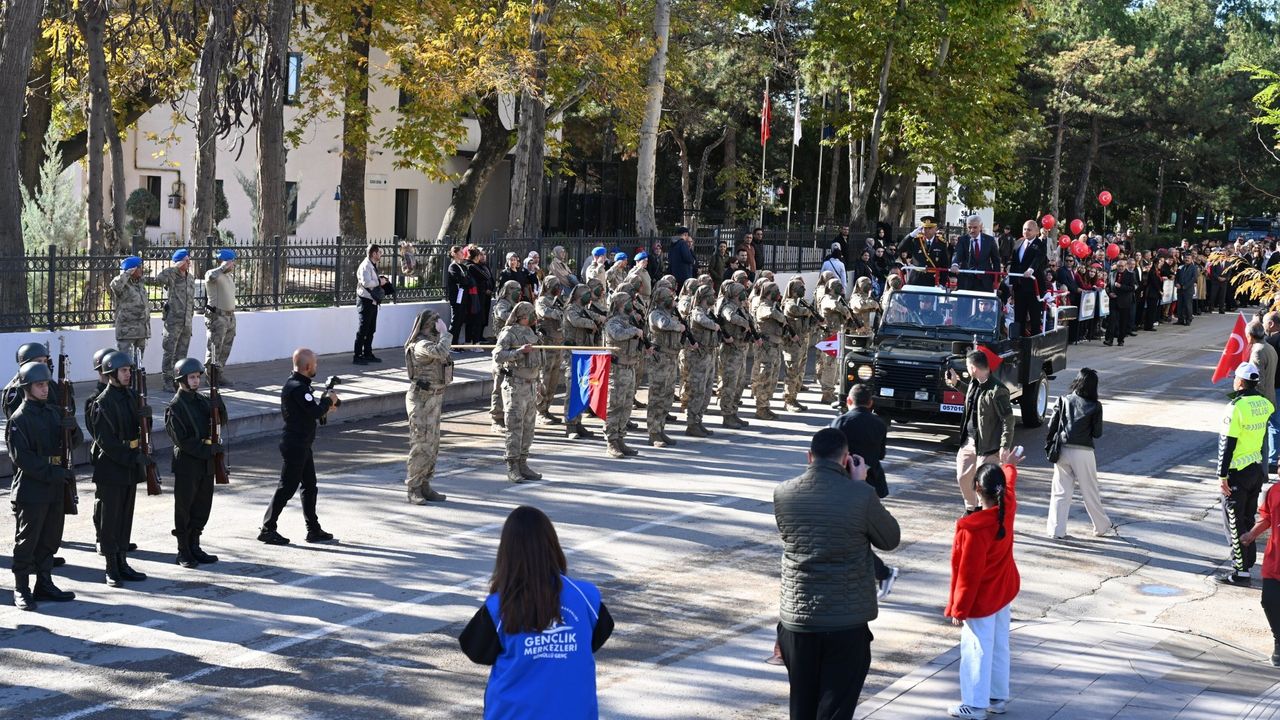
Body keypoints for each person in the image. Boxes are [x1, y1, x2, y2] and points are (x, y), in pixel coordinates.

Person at [773, 428, 901, 720]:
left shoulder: (783, 493)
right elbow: (890, 539)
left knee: (802, 708)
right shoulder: (860, 495)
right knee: (835, 711)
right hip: (845, 625)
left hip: (797, 623)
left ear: (809, 457)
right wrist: (861, 486)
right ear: (846, 460)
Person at [459, 505, 614, 719]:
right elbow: (595, 639)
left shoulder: (500, 605)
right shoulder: (585, 596)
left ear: (507, 553)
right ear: (552, 545)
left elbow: (475, 651)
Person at [944, 449, 1024, 719]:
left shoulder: (973, 528)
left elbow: (968, 573)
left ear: (977, 488)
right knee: (1000, 644)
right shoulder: (1007, 507)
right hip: (1003, 590)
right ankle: (996, 697)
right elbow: (1010, 483)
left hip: (981, 599)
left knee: (976, 648)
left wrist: (958, 608)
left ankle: (975, 704)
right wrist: (1008, 466)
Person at [7, 361, 78, 610]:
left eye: (46, 384)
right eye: (39, 385)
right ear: (27, 387)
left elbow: (73, 442)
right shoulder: (19, 419)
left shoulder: (54, 412)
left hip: (55, 486)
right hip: (33, 488)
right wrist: (54, 473)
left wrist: (72, 427)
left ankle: (44, 583)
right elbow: (22, 459)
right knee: (27, 541)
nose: (45, 389)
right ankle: (21, 588)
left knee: (50, 538)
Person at [258, 348, 341, 546]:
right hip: (295, 445)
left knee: (309, 486)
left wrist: (328, 403)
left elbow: (313, 410)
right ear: (307, 367)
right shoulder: (297, 387)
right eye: (315, 364)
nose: (316, 367)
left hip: (303, 444)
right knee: (287, 487)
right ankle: (267, 529)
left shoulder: (301, 386)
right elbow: (314, 412)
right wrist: (328, 401)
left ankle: (313, 529)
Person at [87, 351, 152, 586]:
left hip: (129, 466)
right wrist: (131, 457)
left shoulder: (133, 396)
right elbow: (106, 442)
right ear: (111, 373)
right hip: (112, 467)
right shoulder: (101, 403)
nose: (128, 375)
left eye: (129, 371)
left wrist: (147, 416)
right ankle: (111, 567)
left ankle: (123, 561)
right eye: (124, 371)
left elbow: (141, 430)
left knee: (125, 517)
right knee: (110, 519)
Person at [829, 384, 900, 599]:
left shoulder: (840, 422)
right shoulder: (879, 423)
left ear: (848, 401)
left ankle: (882, 572)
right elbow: (881, 454)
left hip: (846, 483)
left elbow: (833, 454)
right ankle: (876, 573)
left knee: (847, 536)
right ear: (871, 403)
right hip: (872, 483)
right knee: (857, 534)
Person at [164, 358, 226, 567]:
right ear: (181, 379)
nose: (196, 381)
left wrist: (218, 403)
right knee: (184, 507)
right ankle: (183, 550)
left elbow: (221, 420)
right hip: (188, 464)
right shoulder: (175, 407)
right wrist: (208, 450)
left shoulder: (201, 401)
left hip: (206, 462)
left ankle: (195, 545)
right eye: (192, 377)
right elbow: (182, 441)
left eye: (198, 377)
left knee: (202, 506)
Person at [1216, 361, 1274, 587]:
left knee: (1234, 522)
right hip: (1255, 470)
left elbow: (1227, 444)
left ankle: (1240, 572)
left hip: (1237, 472)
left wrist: (1222, 476)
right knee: (1248, 519)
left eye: (1235, 378)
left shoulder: (1235, 407)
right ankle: (1247, 564)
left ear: (1240, 382)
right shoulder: (1265, 404)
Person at [945, 350, 1015, 515]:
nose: (967, 369)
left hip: (988, 446)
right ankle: (972, 508)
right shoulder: (974, 383)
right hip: (969, 441)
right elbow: (973, 398)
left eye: (968, 366)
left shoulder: (998, 390)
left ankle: (990, 512)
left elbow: (1008, 419)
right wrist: (956, 383)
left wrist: (1005, 445)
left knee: (984, 484)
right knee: (963, 476)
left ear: (973, 368)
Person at [1045, 368, 1111, 538]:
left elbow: (1051, 426)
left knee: (1060, 491)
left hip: (1063, 450)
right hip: (1084, 452)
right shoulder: (1095, 406)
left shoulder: (1063, 400)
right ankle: (1101, 526)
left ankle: (1056, 531)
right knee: (1090, 491)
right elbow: (1097, 433)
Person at [493, 302, 546, 483]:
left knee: (529, 427)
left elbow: (538, 359)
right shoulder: (509, 332)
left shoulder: (531, 333)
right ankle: (512, 465)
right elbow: (498, 356)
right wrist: (517, 352)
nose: (534, 317)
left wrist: (538, 382)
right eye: (531, 314)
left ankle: (523, 462)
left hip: (530, 385)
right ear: (523, 315)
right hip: (515, 385)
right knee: (514, 426)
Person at [404, 309, 452, 504]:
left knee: (433, 444)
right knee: (421, 444)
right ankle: (413, 487)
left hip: (434, 398)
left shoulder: (431, 342)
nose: (438, 325)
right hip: (421, 400)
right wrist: (445, 332)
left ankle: (425, 484)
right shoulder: (421, 345)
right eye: (435, 322)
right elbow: (441, 352)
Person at [603, 292, 646, 457]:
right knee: (615, 406)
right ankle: (611, 441)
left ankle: (620, 438)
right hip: (617, 369)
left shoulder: (629, 321)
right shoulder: (613, 322)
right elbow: (618, 334)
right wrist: (635, 330)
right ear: (621, 304)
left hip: (630, 367)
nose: (632, 305)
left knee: (627, 406)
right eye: (629, 302)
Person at [646, 286, 685, 447]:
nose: (673, 299)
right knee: (657, 396)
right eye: (670, 297)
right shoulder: (656, 314)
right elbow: (663, 325)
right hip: (660, 359)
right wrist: (678, 326)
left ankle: (661, 429)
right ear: (662, 300)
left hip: (671, 358)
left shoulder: (672, 315)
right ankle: (653, 433)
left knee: (667, 395)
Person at [153, 249, 196, 389]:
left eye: (189, 260)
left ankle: (179, 380)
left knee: (182, 353)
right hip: (173, 322)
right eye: (186, 260)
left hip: (186, 322)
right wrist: (175, 267)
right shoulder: (171, 275)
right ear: (179, 262)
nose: (189, 262)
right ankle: (167, 381)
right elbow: (159, 280)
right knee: (169, 352)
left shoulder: (190, 278)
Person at [751, 281, 787, 420]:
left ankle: (766, 406)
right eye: (775, 291)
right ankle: (761, 408)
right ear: (768, 293)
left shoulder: (774, 306)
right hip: (766, 347)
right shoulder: (763, 306)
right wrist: (780, 316)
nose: (778, 293)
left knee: (772, 379)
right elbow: (771, 314)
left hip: (775, 346)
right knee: (764, 377)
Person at [203, 249, 238, 386]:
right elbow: (210, 276)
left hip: (230, 317)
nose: (234, 265)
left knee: (225, 347)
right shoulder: (213, 274)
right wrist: (223, 266)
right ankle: (210, 377)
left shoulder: (228, 276)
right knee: (214, 347)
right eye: (232, 262)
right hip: (217, 317)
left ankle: (219, 374)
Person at [535, 277, 566, 426]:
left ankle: (547, 408)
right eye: (556, 285)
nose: (558, 288)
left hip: (558, 344)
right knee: (544, 380)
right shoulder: (542, 300)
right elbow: (543, 312)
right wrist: (557, 312)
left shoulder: (559, 300)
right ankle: (540, 411)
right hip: (547, 345)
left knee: (554, 381)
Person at [1007, 220, 1046, 336]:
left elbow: (1038, 259)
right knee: (1019, 316)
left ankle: (1034, 344)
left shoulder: (1040, 244)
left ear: (1036, 231)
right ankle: (1018, 342)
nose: (1026, 232)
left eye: (1029, 229)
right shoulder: (1018, 242)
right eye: (1024, 229)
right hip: (1019, 286)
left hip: (1034, 288)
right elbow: (1013, 261)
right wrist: (1011, 276)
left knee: (1034, 318)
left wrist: (1031, 269)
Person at [111, 255, 151, 360]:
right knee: (125, 364)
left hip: (141, 332)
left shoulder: (139, 283)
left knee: (138, 364)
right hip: (127, 333)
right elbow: (114, 285)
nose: (142, 269)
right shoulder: (123, 285)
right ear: (133, 269)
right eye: (139, 267)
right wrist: (127, 273)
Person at [354, 243, 387, 365]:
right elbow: (366, 282)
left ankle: (368, 353)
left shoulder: (372, 265)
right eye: (379, 253)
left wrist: (381, 280)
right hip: (365, 301)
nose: (380, 255)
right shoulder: (365, 266)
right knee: (363, 329)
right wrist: (379, 281)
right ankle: (357, 355)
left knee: (371, 329)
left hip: (372, 301)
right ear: (374, 254)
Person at [951, 215, 1001, 292]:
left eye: (975, 227)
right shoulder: (962, 240)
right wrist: (955, 264)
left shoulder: (990, 240)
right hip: (966, 280)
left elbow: (996, 260)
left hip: (985, 280)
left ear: (981, 227)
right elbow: (957, 254)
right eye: (969, 227)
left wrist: (996, 280)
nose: (972, 230)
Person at [898, 216, 950, 286]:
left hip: (932, 279)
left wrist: (942, 283)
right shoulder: (916, 241)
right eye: (925, 228)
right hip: (916, 278)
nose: (927, 230)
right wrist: (911, 235)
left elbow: (944, 264)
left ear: (936, 229)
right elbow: (901, 248)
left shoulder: (941, 243)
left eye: (930, 228)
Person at [465, 246, 495, 346]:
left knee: (477, 319)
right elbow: (486, 276)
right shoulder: (472, 266)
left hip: (478, 296)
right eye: (480, 255)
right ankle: (474, 343)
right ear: (476, 256)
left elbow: (489, 277)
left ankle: (471, 342)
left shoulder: (474, 266)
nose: (482, 257)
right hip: (475, 296)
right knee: (475, 320)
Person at [1103, 258, 1135, 346]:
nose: (1120, 268)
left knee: (1123, 322)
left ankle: (1121, 340)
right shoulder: (1112, 274)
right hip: (1113, 301)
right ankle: (1109, 340)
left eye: (1122, 266)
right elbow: (1107, 286)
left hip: (1124, 302)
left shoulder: (1130, 275)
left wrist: (1121, 286)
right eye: (1119, 266)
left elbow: (1132, 288)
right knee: (1112, 321)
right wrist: (1109, 293)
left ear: (1125, 266)